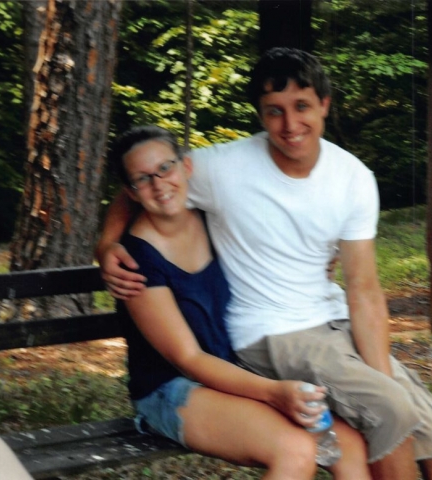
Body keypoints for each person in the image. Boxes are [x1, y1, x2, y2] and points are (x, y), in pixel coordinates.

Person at [97, 48, 432, 480]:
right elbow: (141, 184)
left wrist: (381, 376)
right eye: (275, 111)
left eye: (302, 107)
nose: (290, 125)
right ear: (260, 115)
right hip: (272, 334)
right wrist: (107, 244)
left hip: (332, 321)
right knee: (391, 411)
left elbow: (364, 289)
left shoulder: (352, 177)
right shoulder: (222, 168)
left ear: (324, 105)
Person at [105, 125, 369, 480]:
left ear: (186, 166)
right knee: (295, 451)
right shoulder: (135, 262)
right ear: (131, 192)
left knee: (348, 444)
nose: (159, 184)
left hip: (234, 369)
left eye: (165, 168)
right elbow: (188, 358)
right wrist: (274, 392)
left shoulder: (213, 218)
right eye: (143, 178)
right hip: (171, 387)